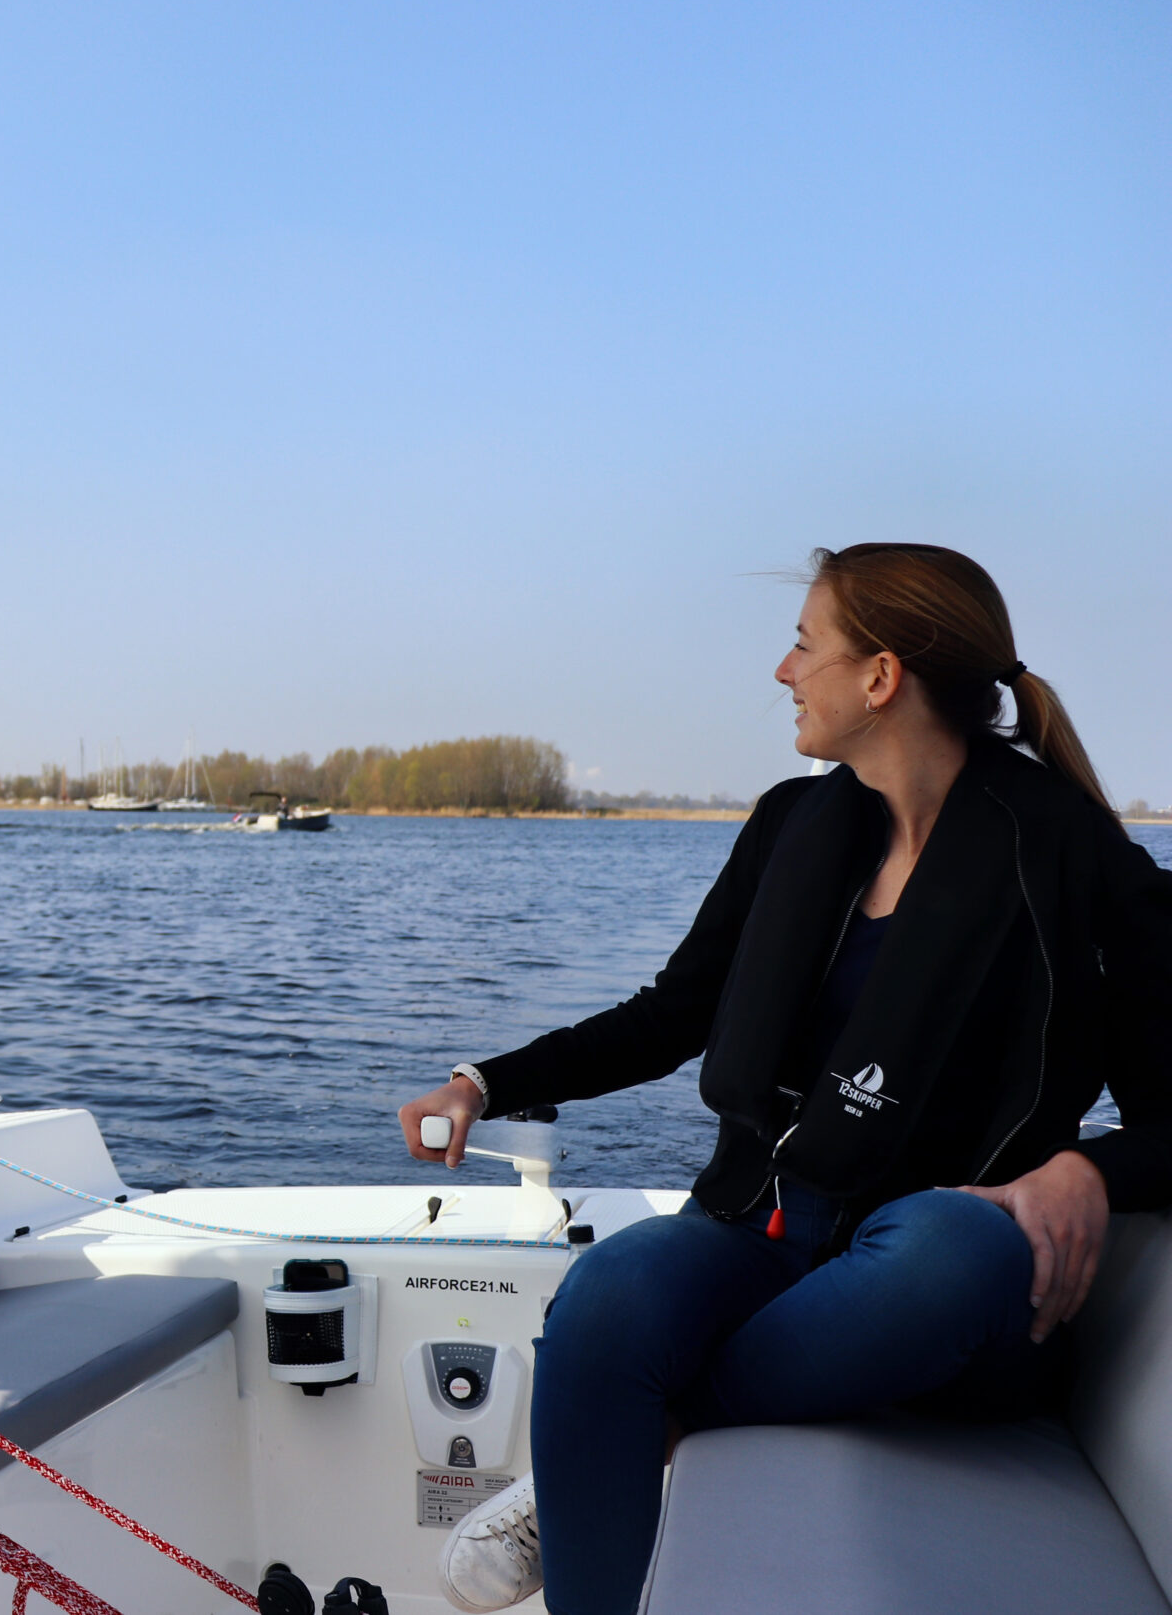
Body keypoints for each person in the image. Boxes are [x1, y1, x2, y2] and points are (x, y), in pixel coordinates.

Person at [395, 544, 1172, 1615]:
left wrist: (1088, 1172)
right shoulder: (789, 825)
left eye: (805, 644)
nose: (782, 670)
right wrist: (482, 1082)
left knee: (954, 1247)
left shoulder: (1073, 856)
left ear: (880, 676)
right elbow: (671, 1013)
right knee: (608, 1297)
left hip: (942, 1284)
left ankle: (658, 1426)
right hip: (756, 1228)